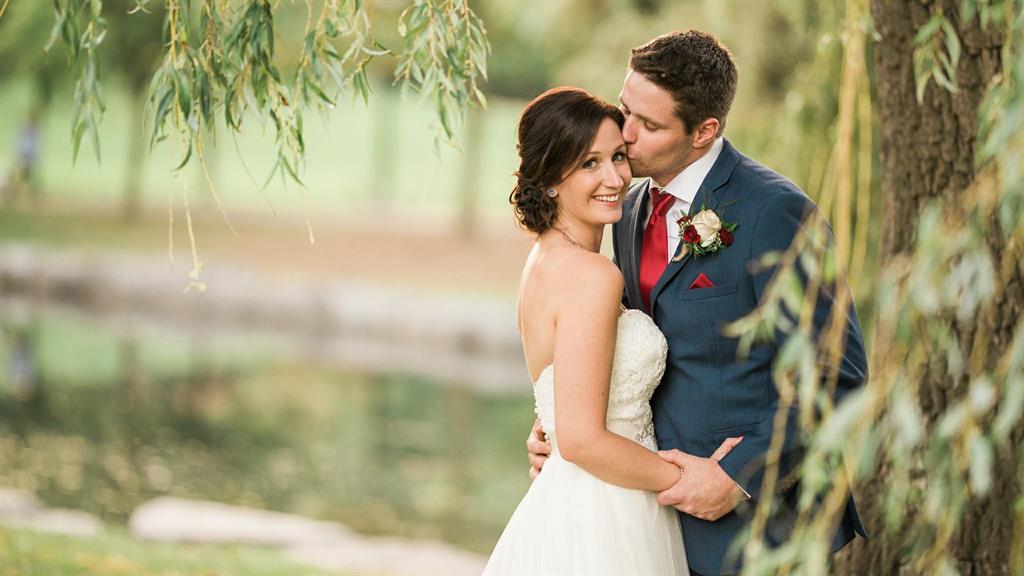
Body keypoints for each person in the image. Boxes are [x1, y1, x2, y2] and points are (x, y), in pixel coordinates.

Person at [527, 31, 869, 575]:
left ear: (704, 131)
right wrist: (560, 426)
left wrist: (736, 476)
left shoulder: (774, 213)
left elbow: (836, 377)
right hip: (646, 518)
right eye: (625, 110)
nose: (625, 135)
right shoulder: (627, 209)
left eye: (649, 125)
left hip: (756, 533)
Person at [483, 87, 698, 575]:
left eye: (618, 157)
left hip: (567, 500)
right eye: (589, 164)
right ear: (550, 180)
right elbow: (582, 439)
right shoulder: (592, 275)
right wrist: (688, 478)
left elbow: (564, 402)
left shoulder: (542, 260)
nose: (614, 178)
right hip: (608, 510)